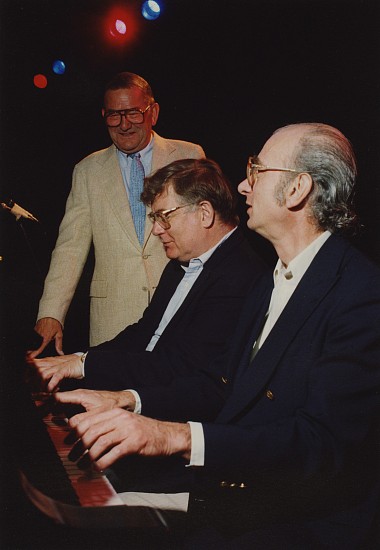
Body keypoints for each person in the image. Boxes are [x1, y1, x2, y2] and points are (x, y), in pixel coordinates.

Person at [63, 123, 380, 548]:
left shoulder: (359, 293)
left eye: (257, 170)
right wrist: (127, 401)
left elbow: (318, 444)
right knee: (87, 516)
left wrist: (172, 436)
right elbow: (220, 384)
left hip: (301, 522)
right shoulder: (270, 281)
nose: (243, 185)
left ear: (297, 189)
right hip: (244, 495)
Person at [28, 158, 269, 422]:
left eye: (164, 217)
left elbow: (181, 367)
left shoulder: (240, 275)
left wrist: (83, 366)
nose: (155, 230)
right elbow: (145, 333)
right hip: (146, 392)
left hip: (176, 418)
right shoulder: (183, 262)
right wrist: (78, 359)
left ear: (204, 213)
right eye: (155, 218)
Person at [30, 72, 205, 357]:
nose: (124, 125)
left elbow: (210, 237)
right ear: (104, 115)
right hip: (113, 321)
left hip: (181, 312)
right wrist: (51, 312)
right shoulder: (87, 171)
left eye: (134, 113)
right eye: (114, 115)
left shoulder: (190, 157)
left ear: (153, 112)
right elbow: (69, 247)